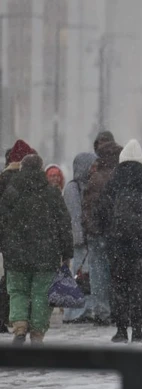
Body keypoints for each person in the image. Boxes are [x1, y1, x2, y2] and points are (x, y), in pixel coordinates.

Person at [0, 154, 73, 345]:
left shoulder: (11, 193)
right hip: (45, 254)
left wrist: (4, 245)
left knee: (17, 291)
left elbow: (2, 221)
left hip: (15, 253)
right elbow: (64, 224)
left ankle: (20, 326)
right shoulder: (51, 193)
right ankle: (37, 333)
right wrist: (66, 252)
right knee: (42, 293)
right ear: (41, 170)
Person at [96, 140, 142, 343]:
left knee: (119, 287)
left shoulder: (113, 183)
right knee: (138, 287)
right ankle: (137, 330)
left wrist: (109, 235)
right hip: (140, 246)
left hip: (117, 245)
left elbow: (101, 213)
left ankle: (121, 329)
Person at [81, 140, 123, 325]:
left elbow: (87, 207)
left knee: (98, 275)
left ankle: (102, 311)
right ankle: (114, 311)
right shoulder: (119, 177)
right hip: (113, 234)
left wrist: (91, 228)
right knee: (114, 274)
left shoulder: (96, 178)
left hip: (96, 233)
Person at [0, 139, 38, 334]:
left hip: (9, 239)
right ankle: (22, 318)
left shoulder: (3, 179)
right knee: (26, 280)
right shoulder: (30, 181)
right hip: (28, 238)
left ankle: (9, 317)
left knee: (10, 279)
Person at [62, 152, 97, 323]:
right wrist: (80, 238)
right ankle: (75, 313)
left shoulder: (87, 186)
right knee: (79, 277)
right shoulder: (72, 188)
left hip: (86, 239)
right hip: (80, 241)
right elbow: (74, 216)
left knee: (86, 277)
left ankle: (86, 310)